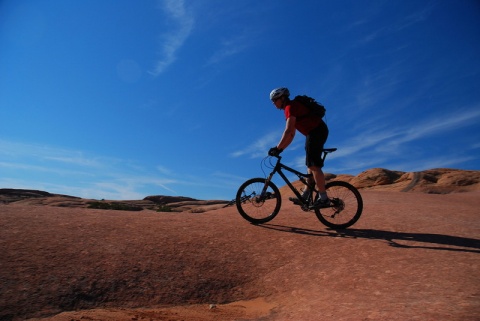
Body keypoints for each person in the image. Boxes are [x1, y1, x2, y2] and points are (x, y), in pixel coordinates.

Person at [268, 87, 330, 208]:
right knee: (310, 166)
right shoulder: (291, 106)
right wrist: (280, 149)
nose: (273, 103)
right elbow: (291, 135)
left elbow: (289, 131)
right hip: (314, 133)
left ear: (282, 98)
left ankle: (324, 199)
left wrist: (277, 148)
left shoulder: (290, 107)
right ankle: (306, 195)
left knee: (314, 165)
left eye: (274, 100)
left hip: (316, 132)